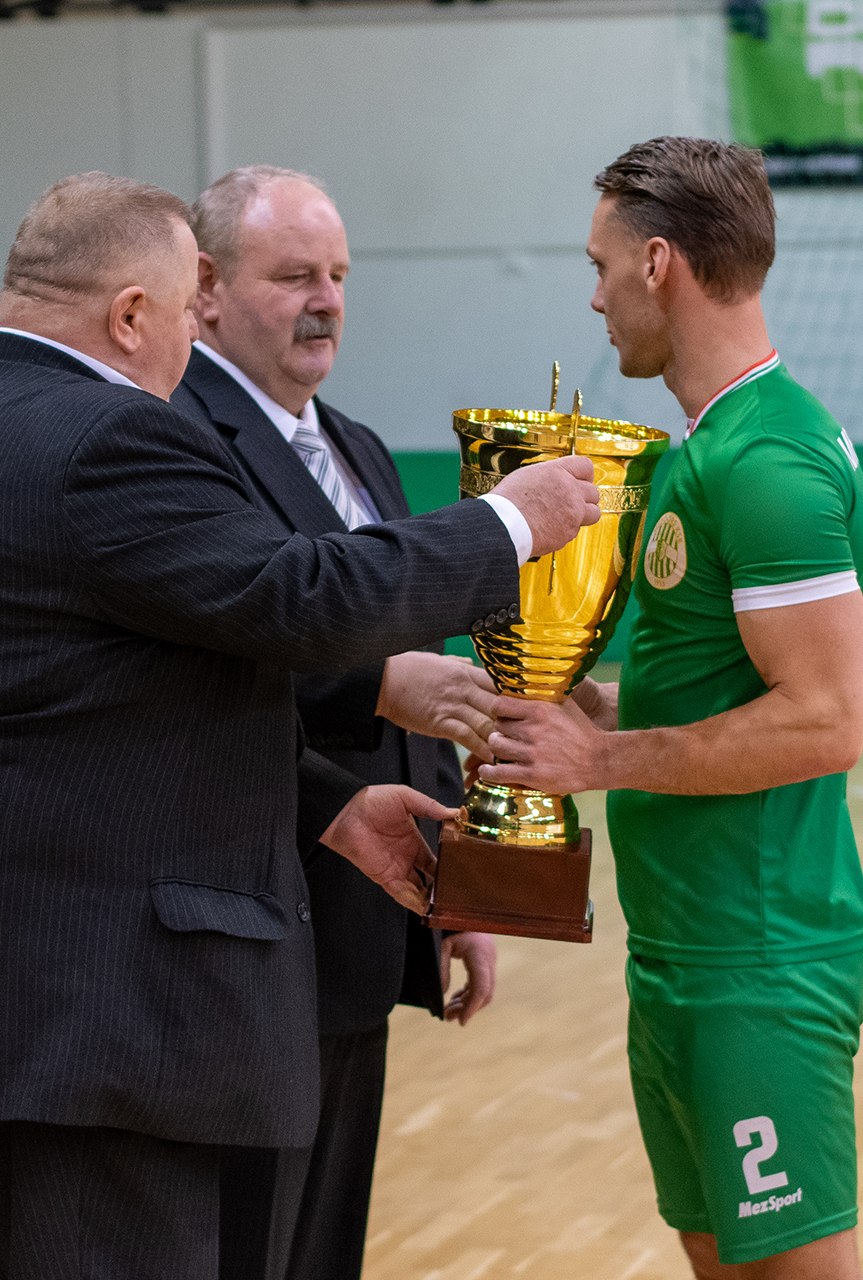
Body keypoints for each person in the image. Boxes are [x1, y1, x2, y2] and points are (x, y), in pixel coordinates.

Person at [0, 171, 600, 1280]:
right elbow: (304, 598)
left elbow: (111, 697)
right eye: (184, 310)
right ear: (130, 316)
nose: (190, 341)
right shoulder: (104, 435)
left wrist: (330, 807)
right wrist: (510, 522)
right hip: (80, 1026)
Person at [484, 138, 863, 1280]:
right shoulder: (713, 448)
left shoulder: (768, 461)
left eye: (600, 264)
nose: (594, 295)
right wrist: (589, 707)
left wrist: (598, 763)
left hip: (760, 958)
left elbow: (826, 719)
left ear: (658, 263)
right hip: (679, 950)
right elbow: (724, 686)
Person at [172, 165, 501, 1280]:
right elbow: (223, 669)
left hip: (363, 926)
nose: (326, 302)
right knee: (250, 1248)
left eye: (341, 276)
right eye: (295, 276)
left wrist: (461, 890)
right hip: (257, 926)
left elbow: (427, 682)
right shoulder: (176, 438)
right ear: (205, 288)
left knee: (322, 1248)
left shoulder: (356, 443)